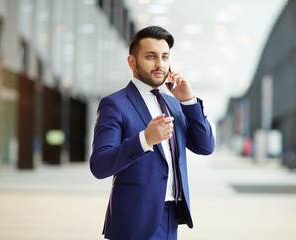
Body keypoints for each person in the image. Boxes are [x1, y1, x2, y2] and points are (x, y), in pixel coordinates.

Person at [90, 26, 215, 240]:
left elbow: (205, 146)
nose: (160, 64)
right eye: (151, 56)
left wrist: (189, 101)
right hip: (133, 222)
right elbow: (100, 166)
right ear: (132, 62)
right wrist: (144, 140)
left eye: (165, 57)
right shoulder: (115, 104)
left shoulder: (173, 104)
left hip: (171, 218)